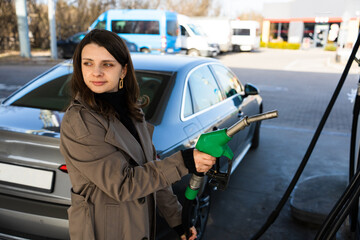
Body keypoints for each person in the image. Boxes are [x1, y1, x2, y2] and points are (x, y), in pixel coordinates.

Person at [59, 29, 216, 240]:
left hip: (136, 227)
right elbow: (123, 185)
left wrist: (178, 220)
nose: (96, 72)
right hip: (101, 232)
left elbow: (151, 171)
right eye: (87, 63)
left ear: (123, 71)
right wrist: (184, 162)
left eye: (107, 64)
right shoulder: (80, 120)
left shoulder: (133, 112)